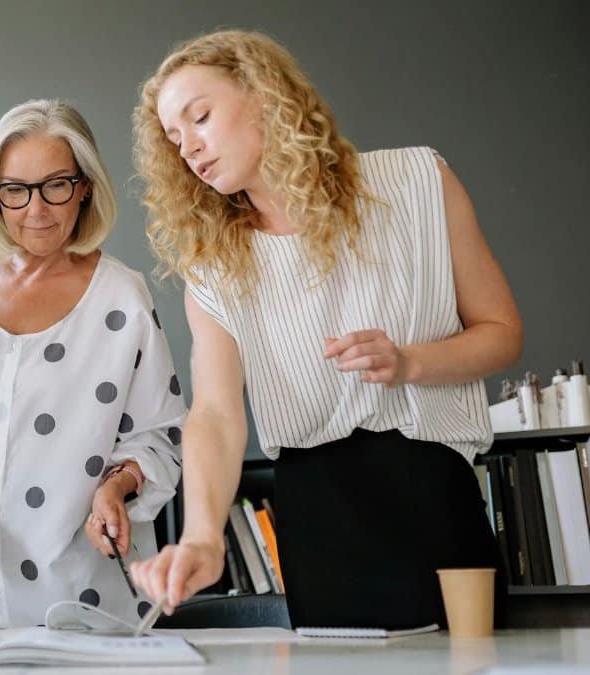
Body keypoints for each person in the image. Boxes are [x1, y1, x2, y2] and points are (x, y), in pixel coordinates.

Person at [128, 30, 522, 630]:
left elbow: (502, 332)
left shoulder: (416, 181)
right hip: (318, 518)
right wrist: (204, 537)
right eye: (176, 139)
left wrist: (410, 364)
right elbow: (214, 412)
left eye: (200, 117)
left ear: (263, 94)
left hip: (435, 494)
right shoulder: (212, 263)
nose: (190, 149)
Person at [0, 99, 186, 628]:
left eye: (55, 185)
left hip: (79, 596)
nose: (36, 209)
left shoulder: (123, 297)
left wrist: (116, 488)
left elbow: (160, 434)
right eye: (15, 190)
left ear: (85, 186)